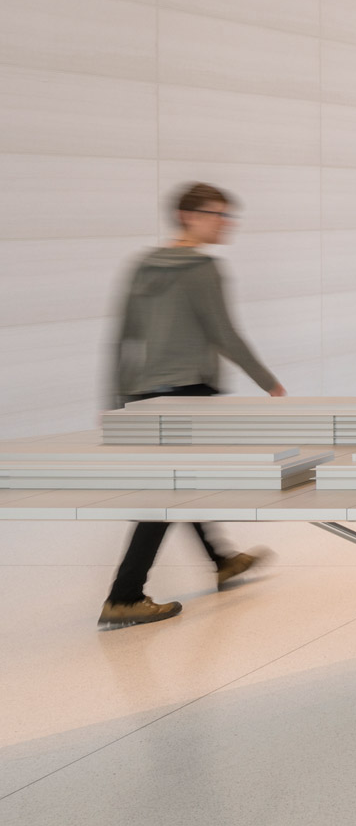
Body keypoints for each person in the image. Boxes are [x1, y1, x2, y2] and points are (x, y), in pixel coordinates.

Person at [98, 183, 279, 630]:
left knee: (182, 483)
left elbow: (123, 336)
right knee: (168, 493)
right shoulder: (203, 268)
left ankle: (222, 560)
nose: (225, 223)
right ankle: (124, 597)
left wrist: (116, 402)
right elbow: (224, 334)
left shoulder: (143, 265)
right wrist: (269, 382)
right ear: (188, 216)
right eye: (217, 214)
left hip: (145, 395)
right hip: (188, 394)